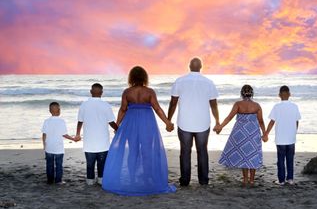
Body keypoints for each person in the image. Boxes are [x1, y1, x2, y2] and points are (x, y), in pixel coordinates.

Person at [102, 66, 176, 196]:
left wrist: (118, 126)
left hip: (130, 124)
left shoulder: (127, 92)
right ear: (144, 77)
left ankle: (131, 178)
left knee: (133, 151)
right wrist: (167, 122)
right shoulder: (150, 92)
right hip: (147, 123)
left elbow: (123, 109)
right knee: (147, 152)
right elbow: (157, 109)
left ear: (131, 78)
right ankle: (147, 178)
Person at [168, 57, 220, 186]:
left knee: (185, 152)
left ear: (189, 66)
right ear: (201, 66)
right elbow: (214, 105)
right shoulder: (208, 82)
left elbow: (173, 103)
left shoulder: (180, 81)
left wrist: (168, 120)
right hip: (202, 123)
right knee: (202, 151)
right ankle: (203, 180)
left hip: (184, 122)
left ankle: (185, 181)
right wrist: (217, 121)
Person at [214, 85, 266, 186]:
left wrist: (220, 126)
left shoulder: (238, 104)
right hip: (253, 132)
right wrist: (265, 134)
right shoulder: (257, 106)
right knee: (252, 155)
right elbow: (261, 121)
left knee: (244, 155)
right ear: (252, 93)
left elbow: (229, 118)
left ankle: (245, 179)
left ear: (241, 94)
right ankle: (251, 180)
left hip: (240, 133)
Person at [75, 83, 118, 185]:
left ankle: (90, 181)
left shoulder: (84, 105)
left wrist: (77, 134)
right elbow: (111, 122)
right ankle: (100, 180)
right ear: (102, 93)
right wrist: (118, 130)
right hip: (103, 142)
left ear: (91, 92)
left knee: (90, 164)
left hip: (89, 142)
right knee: (102, 164)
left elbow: (80, 121)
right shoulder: (106, 105)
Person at [263, 85, 301, 185]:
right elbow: (296, 121)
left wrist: (266, 133)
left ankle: (281, 180)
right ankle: (290, 179)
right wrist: (294, 132)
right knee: (290, 159)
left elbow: (272, 122)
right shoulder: (294, 106)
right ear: (289, 94)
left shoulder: (277, 107)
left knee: (280, 160)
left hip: (280, 138)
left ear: (279, 95)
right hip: (291, 138)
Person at [42, 102, 76, 184]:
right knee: (59, 165)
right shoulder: (61, 121)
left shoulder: (46, 121)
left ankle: (50, 180)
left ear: (50, 111)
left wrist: (44, 144)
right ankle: (58, 180)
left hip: (49, 147)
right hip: (58, 148)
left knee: (49, 165)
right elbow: (64, 134)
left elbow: (44, 134)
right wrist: (73, 139)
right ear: (59, 110)